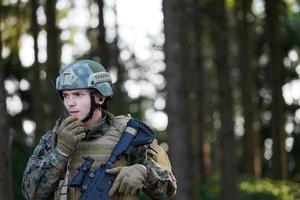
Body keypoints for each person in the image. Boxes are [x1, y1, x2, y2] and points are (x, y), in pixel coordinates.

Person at [22, 60, 177, 200]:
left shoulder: (130, 136)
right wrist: (61, 152)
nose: (70, 103)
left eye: (78, 94)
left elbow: (169, 190)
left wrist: (144, 173)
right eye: (66, 95)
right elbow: (31, 194)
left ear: (100, 97)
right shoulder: (53, 140)